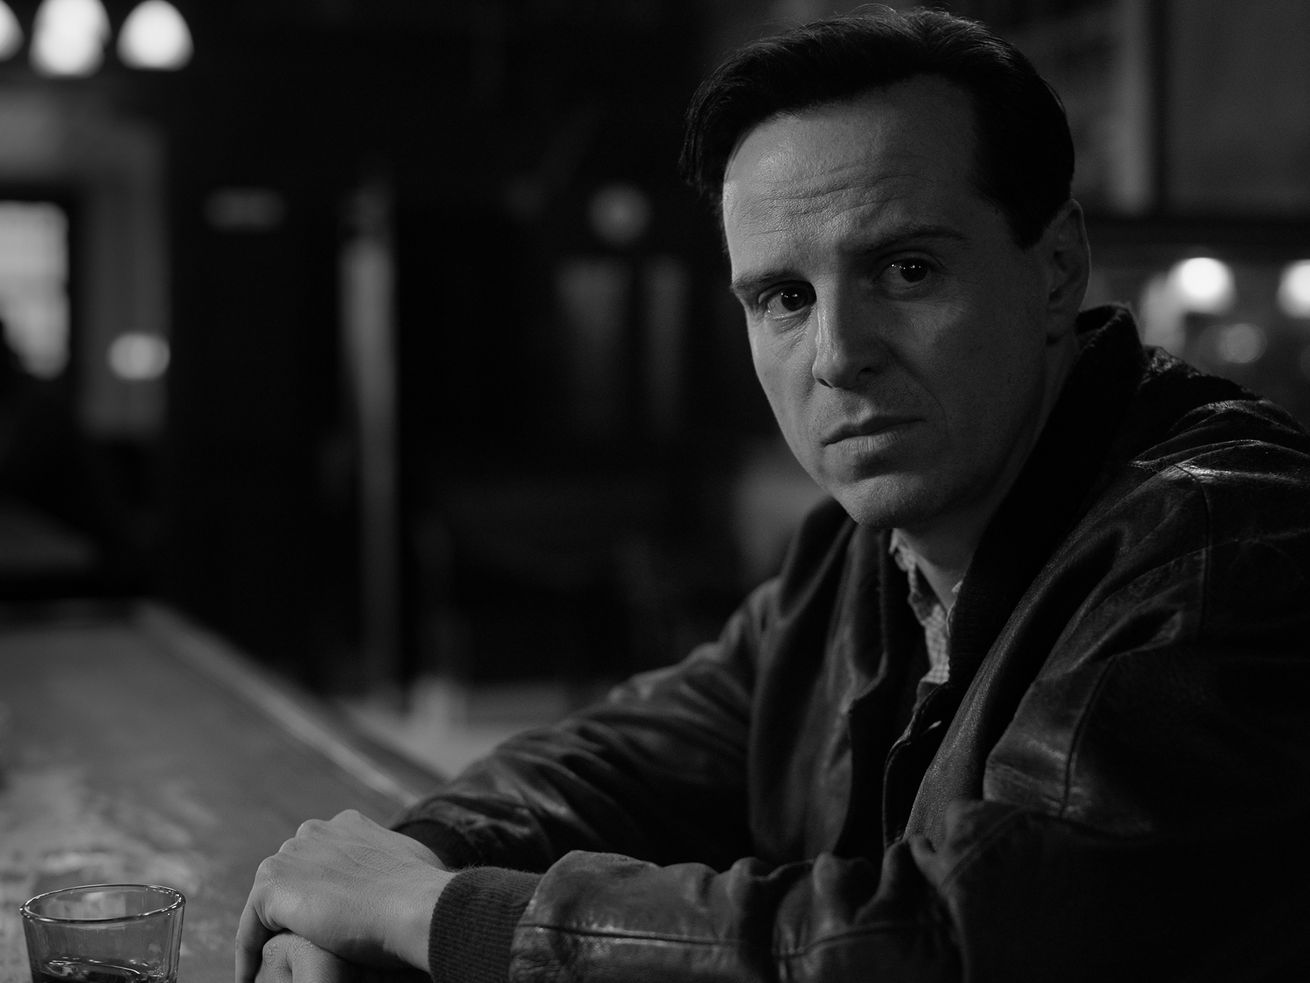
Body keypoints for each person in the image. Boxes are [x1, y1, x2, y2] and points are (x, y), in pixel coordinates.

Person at [238, 8, 1310, 981]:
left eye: (905, 270)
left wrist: (444, 914)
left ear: (1057, 266)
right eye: (784, 297)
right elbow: (625, 754)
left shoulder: (1221, 541)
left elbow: (961, 940)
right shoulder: (860, 553)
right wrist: (398, 867)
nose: (837, 356)